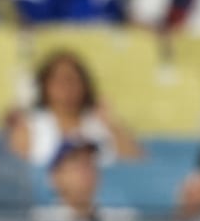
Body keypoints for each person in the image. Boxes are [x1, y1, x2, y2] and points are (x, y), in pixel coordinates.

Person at [9, 50, 143, 168]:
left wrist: (110, 124)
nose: (66, 87)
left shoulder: (100, 127)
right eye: (59, 81)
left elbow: (137, 163)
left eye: (73, 80)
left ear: (85, 86)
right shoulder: (30, 129)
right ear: (44, 87)